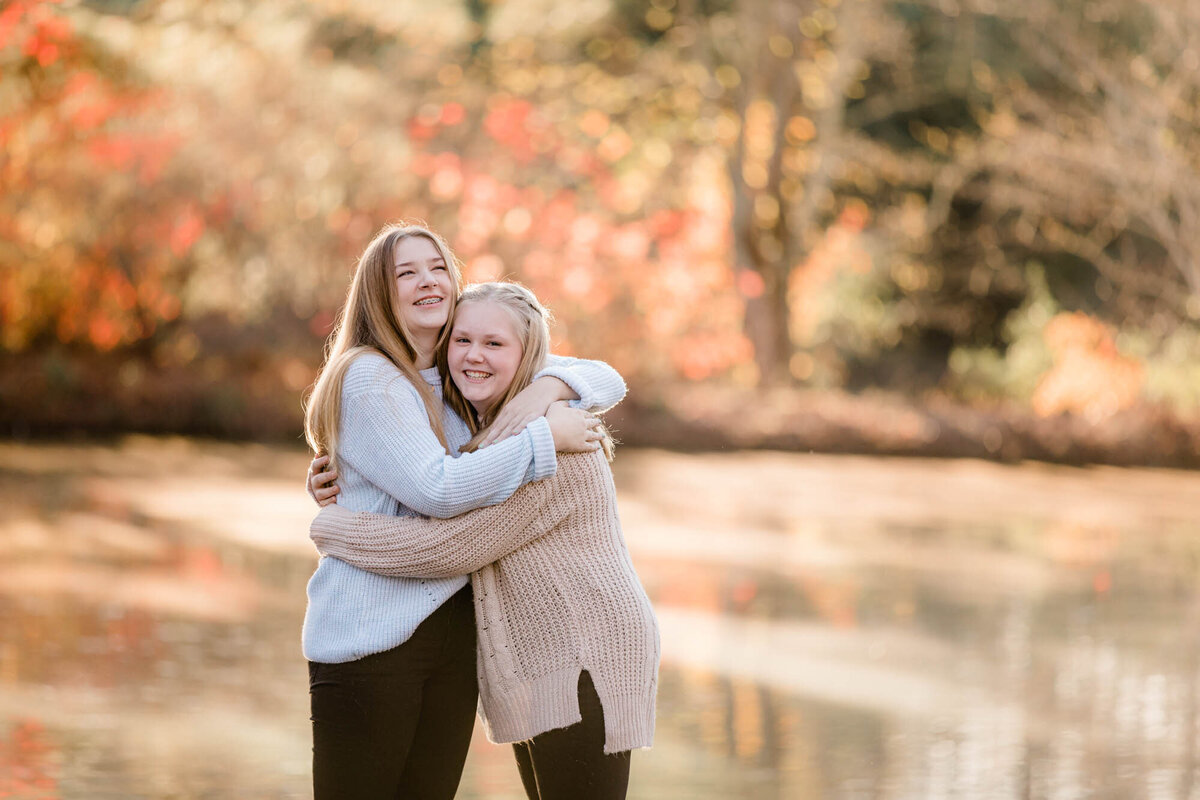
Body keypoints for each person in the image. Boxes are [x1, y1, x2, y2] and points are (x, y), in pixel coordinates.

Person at [302, 223, 627, 800]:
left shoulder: (461, 375)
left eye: (437, 266)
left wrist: (544, 391)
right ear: (379, 293)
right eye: (406, 272)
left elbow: (606, 376)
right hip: (371, 637)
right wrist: (541, 439)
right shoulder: (372, 376)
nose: (427, 280)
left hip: (454, 640)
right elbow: (438, 489)